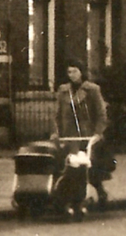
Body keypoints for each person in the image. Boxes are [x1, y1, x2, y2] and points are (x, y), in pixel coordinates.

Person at [51, 58, 111, 207]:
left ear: (82, 72)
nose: (72, 75)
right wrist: (56, 132)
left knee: (87, 166)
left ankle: (99, 191)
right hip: (69, 135)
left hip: (87, 135)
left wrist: (98, 133)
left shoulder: (92, 90)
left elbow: (101, 114)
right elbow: (57, 115)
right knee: (65, 165)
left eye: (75, 71)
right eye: (69, 72)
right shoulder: (63, 91)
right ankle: (61, 193)